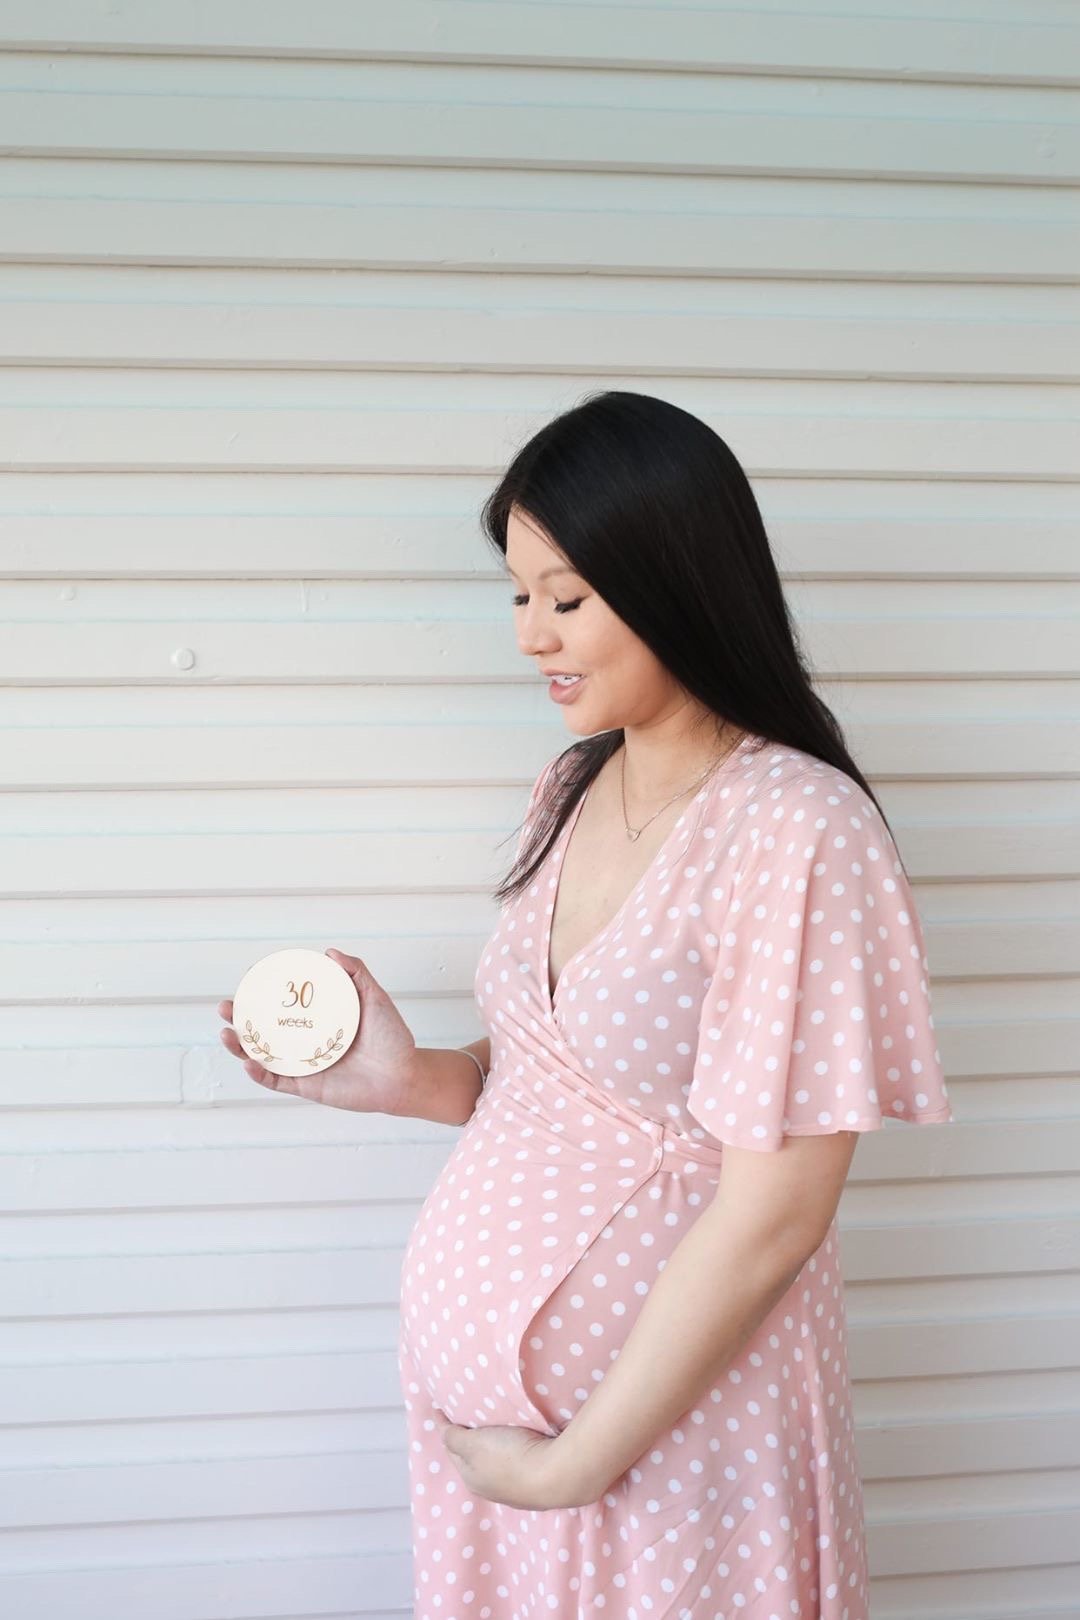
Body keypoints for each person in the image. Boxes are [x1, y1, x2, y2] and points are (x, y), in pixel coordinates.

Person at [219, 389, 953, 1619]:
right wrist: (407, 1080)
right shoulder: (572, 784)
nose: (530, 637)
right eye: (518, 595)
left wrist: (574, 1463)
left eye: (567, 599)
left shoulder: (797, 830)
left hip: (663, 1441)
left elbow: (777, 1216)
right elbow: (564, 1085)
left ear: (679, 581)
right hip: (511, 1455)